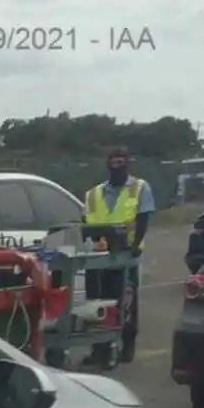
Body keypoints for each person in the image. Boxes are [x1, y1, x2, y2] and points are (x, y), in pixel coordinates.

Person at [83, 145, 154, 362]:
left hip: (126, 256)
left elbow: (143, 219)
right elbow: (86, 223)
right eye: (113, 163)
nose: (117, 168)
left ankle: (127, 344)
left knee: (126, 302)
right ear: (108, 165)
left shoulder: (140, 188)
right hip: (99, 257)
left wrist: (136, 245)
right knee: (97, 303)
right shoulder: (93, 194)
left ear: (127, 164)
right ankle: (99, 348)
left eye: (121, 163)